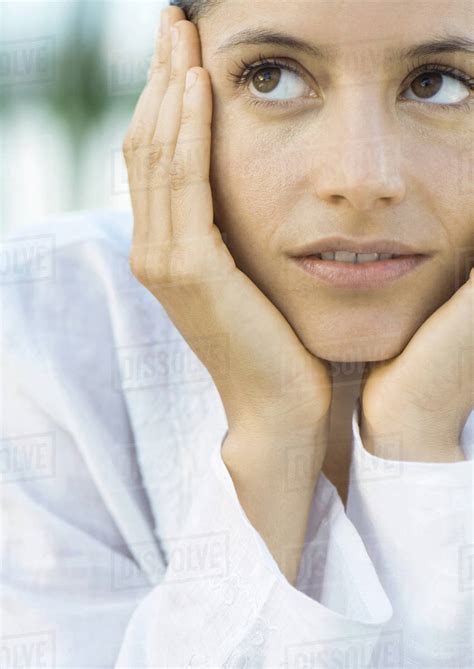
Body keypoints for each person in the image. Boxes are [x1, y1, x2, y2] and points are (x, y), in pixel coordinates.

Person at [1, 1, 472, 666]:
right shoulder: (43, 322)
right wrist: (271, 427)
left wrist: (417, 437)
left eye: (438, 83)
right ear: (172, 83)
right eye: (272, 76)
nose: (362, 181)